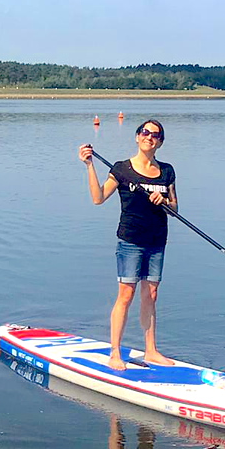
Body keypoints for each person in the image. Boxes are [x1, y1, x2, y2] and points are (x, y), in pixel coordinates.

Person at [78, 119, 177, 370]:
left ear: (160, 142)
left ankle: (151, 351)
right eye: (145, 132)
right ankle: (114, 353)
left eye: (155, 135)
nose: (149, 137)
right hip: (130, 240)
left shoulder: (167, 171)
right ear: (137, 137)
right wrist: (89, 166)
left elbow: (175, 209)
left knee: (151, 295)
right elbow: (98, 198)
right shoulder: (122, 169)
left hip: (157, 240)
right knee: (126, 294)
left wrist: (164, 199)